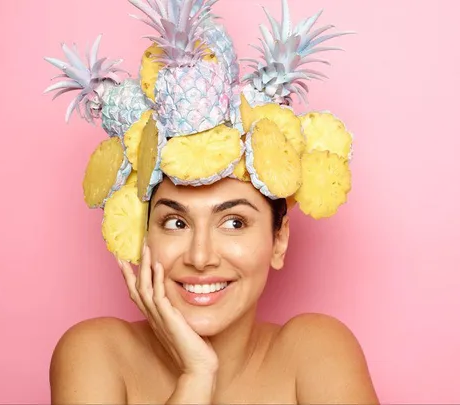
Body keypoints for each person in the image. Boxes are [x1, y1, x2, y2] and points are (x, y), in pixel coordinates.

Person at [44, 0, 379, 403]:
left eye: (234, 221)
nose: (201, 257)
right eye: (176, 222)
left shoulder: (317, 352)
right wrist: (196, 375)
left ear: (279, 239)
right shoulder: (95, 354)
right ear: (141, 234)